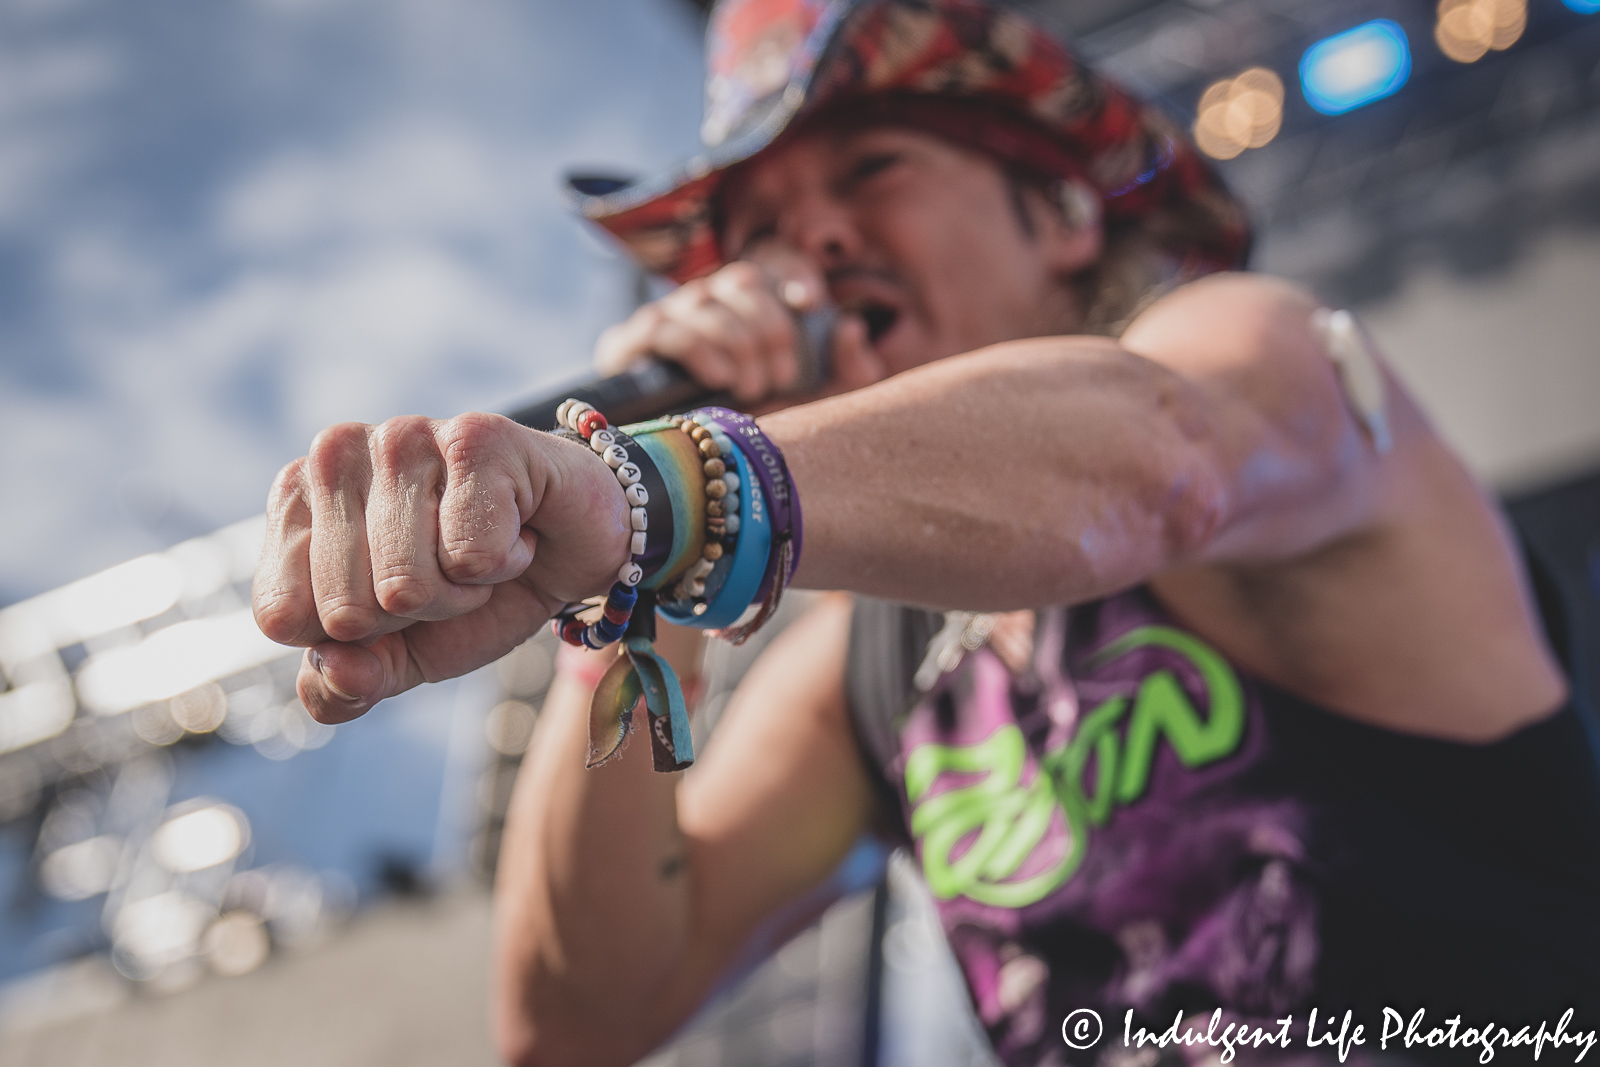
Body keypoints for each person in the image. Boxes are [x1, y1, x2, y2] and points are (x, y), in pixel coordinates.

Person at [252, 1, 1600, 1064]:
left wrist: (656, 490)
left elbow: (1162, 464)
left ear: (1062, 211)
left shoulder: (1245, 344)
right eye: (761, 227)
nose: (808, 245)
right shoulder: (877, 669)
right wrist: (624, 579)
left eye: (874, 166)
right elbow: (585, 1017)